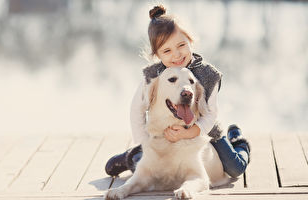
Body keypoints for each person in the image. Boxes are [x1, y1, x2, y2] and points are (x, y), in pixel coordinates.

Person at [105, 5, 250, 179]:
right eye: (167, 50)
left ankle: (238, 141)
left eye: (181, 45)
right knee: (151, 169)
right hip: (164, 134)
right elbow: (137, 108)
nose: (176, 55)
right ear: (157, 54)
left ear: (191, 41)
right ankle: (132, 155)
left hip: (204, 130)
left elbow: (211, 115)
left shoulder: (208, 75)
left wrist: (190, 132)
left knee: (235, 169)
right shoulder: (152, 76)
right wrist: (144, 143)